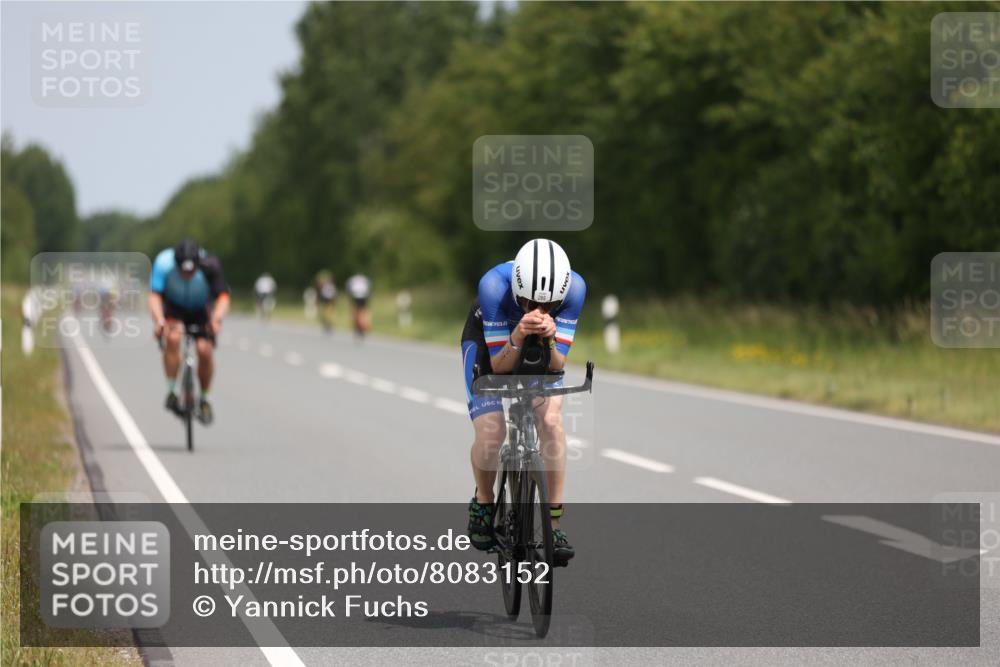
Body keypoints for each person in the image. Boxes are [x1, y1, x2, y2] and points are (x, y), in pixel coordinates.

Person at [462, 239, 586, 566]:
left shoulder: (575, 289)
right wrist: (517, 334)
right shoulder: (493, 287)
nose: (537, 310)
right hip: (492, 341)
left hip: (537, 347)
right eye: (529, 302)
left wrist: (548, 336)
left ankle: (554, 524)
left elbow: (557, 365)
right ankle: (484, 500)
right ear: (517, 289)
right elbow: (500, 366)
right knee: (491, 431)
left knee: (550, 421)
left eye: (548, 306)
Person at [149, 238, 230, 424]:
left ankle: (205, 398)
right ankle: (171, 391)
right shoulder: (163, 263)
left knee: (204, 350)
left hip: (200, 310)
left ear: (198, 264)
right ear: (176, 264)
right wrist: (159, 321)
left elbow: (223, 298)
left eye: (191, 271)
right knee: (173, 338)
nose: (186, 275)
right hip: (175, 308)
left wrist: (216, 320)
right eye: (182, 271)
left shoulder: (210, 265)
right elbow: (154, 296)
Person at [346, 273, 372, 338]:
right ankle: (363, 325)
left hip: (355, 296)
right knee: (363, 311)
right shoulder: (364, 279)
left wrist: (349, 297)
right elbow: (369, 288)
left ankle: (357, 324)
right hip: (364, 296)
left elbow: (349, 288)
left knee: (355, 310)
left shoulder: (352, 279)